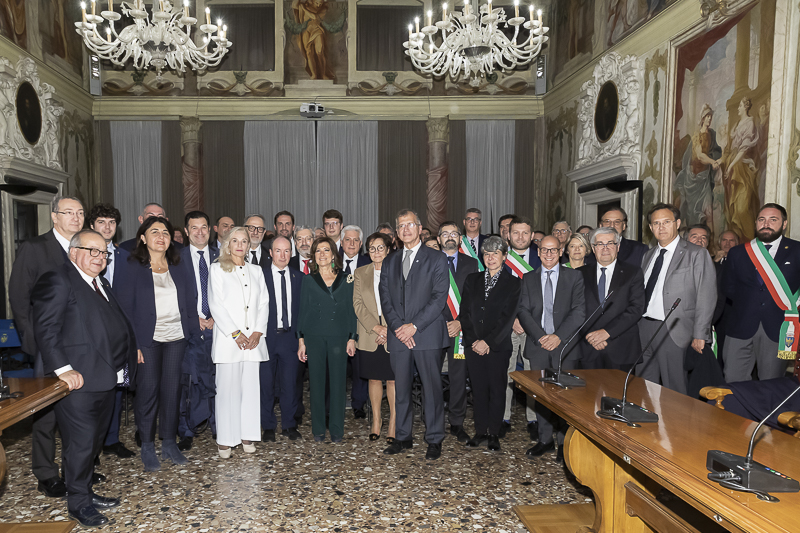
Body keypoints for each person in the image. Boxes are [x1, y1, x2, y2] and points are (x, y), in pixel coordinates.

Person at [31, 229, 138, 528]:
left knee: (92, 443)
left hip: (104, 378)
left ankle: (86, 491)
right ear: (74, 251)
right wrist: (63, 370)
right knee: (79, 445)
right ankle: (78, 504)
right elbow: (46, 329)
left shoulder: (98, 281)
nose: (99, 258)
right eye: (92, 251)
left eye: (103, 253)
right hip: (77, 381)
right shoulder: (58, 279)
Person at [9, 195, 85, 498]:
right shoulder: (34, 248)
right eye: (69, 213)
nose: (76, 218)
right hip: (47, 344)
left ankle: (77, 469)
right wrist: (32, 342)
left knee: (78, 410)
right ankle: (46, 472)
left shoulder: (85, 247)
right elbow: (19, 297)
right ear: (54, 217)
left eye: (80, 213)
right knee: (46, 411)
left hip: (80, 343)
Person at [116, 216, 200, 471]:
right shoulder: (131, 265)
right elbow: (123, 308)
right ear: (143, 238)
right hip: (147, 340)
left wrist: (192, 333)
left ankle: (169, 443)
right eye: (155, 232)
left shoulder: (179, 264)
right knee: (148, 392)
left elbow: (191, 297)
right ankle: (147, 445)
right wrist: (135, 344)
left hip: (176, 337)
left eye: (165, 232)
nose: (161, 237)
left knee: (172, 391)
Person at [380, 209, 450, 460]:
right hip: (399, 336)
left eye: (410, 225)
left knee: (431, 390)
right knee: (401, 389)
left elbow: (439, 298)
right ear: (397, 233)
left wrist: (414, 326)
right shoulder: (390, 260)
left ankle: (434, 439)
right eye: (401, 226)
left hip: (427, 334)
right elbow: (385, 298)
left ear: (420, 228)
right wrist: (400, 328)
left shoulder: (436, 258)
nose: (405, 229)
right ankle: (403, 436)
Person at [517, 235, 585, 460]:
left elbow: (579, 312)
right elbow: (523, 312)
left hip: (565, 346)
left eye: (553, 250)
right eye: (544, 250)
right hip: (538, 345)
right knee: (541, 396)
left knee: (567, 397)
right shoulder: (528, 278)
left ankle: (566, 444)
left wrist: (558, 336)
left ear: (561, 251)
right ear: (538, 252)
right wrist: (541, 336)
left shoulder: (575, 277)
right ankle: (545, 440)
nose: (548, 254)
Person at [637, 203, 716, 395]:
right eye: (656, 223)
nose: (661, 227)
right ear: (650, 228)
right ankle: (649, 423)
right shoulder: (648, 256)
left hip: (673, 328)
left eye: (666, 222)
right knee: (643, 384)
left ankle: (673, 425)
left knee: (674, 388)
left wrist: (700, 334)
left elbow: (706, 295)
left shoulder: (696, 253)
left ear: (678, 223)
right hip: (643, 327)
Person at [208, 227, 270, 457]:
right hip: (229, 341)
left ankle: (247, 435)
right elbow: (215, 303)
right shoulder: (217, 269)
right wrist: (235, 333)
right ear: (227, 244)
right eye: (235, 240)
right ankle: (225, 439)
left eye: (244, 241)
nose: (240, 245)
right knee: (227, 391)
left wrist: (257, 332)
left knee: (250, 391)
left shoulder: (256, 271)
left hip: (253, 342)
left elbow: (264, 302)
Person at [722, 204, 800, 382]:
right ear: (756, 223)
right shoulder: (738, 252)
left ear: (784, 224)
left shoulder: (796, 251)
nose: (766, 224)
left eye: (773, 220)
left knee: (771, 385)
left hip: (778, 328)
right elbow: (728, 287)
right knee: (733, 380)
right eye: (762, 220)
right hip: (740, 326)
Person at [460, 236, 521, 452]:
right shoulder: (472, 280)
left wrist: (488, 341)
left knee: (497, 389)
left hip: (497, 346)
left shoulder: (513, 283)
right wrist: (473, 340)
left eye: (496, 253)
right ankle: (480, 431)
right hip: (473, 345)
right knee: (478, 390)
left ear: (505, 256)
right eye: (487, 254)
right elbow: (464, 313)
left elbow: (508, 317)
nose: (491, 257)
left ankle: (494, 433)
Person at [297, 237, 358, 443]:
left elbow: (351, 310)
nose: (322, 254)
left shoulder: (347, 278)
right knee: (316, 383)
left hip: (339, 336)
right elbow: (303, 311)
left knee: (339, 384)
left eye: (326, 250)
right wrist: (301, 340)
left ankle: (337, 430)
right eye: (318, 251)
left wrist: (352, 337)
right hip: (314, 336)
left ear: (333, 254)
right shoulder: (309, 279)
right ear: (313, 256)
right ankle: (318, 430)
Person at [88, 203, 135, 459]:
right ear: (92, 226)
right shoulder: (83, 256)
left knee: (118, 388)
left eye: (111, 223)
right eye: (102, 222)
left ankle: (112, 439)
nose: (107, 227)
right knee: (94, 392)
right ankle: (91, 449)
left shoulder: (127, 256)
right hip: (93, 335)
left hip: (119, 335)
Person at [176, 211, 219, 452]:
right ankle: (186, 430)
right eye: (194, 228)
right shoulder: (176, 259)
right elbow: (174, 297)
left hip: (218, 329)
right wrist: (196, 319)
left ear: (210, 229)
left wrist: (216, 317)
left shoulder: (221, 256)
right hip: (190, 332)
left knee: (216, 381)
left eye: (204, 227)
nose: (200, 232)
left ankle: (216, 425)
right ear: (186, 231)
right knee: (189, 383)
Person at [577, 228, 644, 371]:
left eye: (610, 243)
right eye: (600, 244)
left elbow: (636, 308)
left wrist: (607, 332)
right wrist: (591, 336)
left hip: (621, 348)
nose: (605, 248)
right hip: (588, 347)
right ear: (593, 248)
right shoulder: (579, 274)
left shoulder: (633, 272)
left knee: (619, 393)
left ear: (618, 246)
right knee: (587, 393)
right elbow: (574, 310)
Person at [437, 221, 479, 443]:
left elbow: (475, 298)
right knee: (431, 377)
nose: (449, 237)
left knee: (458, 377)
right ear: (438, 239)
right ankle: (433, 422)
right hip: (434, 329)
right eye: (445, 234)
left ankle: (456, 423)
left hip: (460, 331)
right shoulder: (429, 261)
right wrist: (439, 323)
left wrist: (460, 322)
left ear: (461, 239)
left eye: (454, 233)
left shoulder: (472, 264)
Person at [353, 233, 397, 442]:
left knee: (393, 379)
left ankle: (393, 424)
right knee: (373, 378)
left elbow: (402, 305)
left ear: (388, 250)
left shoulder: (398, 272)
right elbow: (358, 305)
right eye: (372, 248)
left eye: (380, 248)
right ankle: (377, 421)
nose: (376, 252)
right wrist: (377, 328)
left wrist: (388, 330)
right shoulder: (361, 273)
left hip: (394, 333)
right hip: (370, 332)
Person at [260, 236, 303, 442]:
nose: (283, 255)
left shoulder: (299, 277)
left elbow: (303, 312)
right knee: (266, 384)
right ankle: (268, 425)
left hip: (290, 338)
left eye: (287, 251)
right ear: (270, 253)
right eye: (278, 250)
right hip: (266, 338)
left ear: (291, 253)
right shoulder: (260, 276)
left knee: (290, 384)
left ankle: (289, 424)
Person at [502, 216, 541, 440]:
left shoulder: (543, 257)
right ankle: (504, 417)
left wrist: (526, 321)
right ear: (508, 234)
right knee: (506, 373)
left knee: (531, 374)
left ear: (532, 235)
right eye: (515, 233)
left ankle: (533, 418)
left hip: (534, 327)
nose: (520, 237)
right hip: (507, 326)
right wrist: (513, 318)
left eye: (525, 233)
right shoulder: (499, 258)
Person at [675, 104, 722, 229]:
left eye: (710, 117)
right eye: (707, 116)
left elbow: (717, 151)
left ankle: (711, 241)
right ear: (702, 118)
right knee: (693, 211)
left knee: (708, 210)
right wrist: (713, 162)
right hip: (694, 178)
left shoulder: (712, 134)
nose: (709, 119)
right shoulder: (697, 136)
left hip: (705, 177)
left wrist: (720, 159)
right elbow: (700, 155)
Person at [721, 97, 761, 242]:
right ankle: (738, 244)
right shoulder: (738, 124)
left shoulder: (749, 123)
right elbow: (730, 148)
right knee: (732, 212)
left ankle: (751, 243)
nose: (738, 108)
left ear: (745, 107)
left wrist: (731, 166)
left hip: (742, 168)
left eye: (739, 106)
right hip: (733, 166)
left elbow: (743, 150)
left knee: (742, 209)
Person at [340, 224, 370, 417]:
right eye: (348, 240)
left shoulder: (369, 263)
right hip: (337, 323)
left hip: (362, 322)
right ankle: (335, 404)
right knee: (337, 368)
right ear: (341, 243)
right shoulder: (331, 262)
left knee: (361, 367)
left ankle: (359, 404)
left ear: (361, 244)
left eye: (355, 240)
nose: (351, 243)